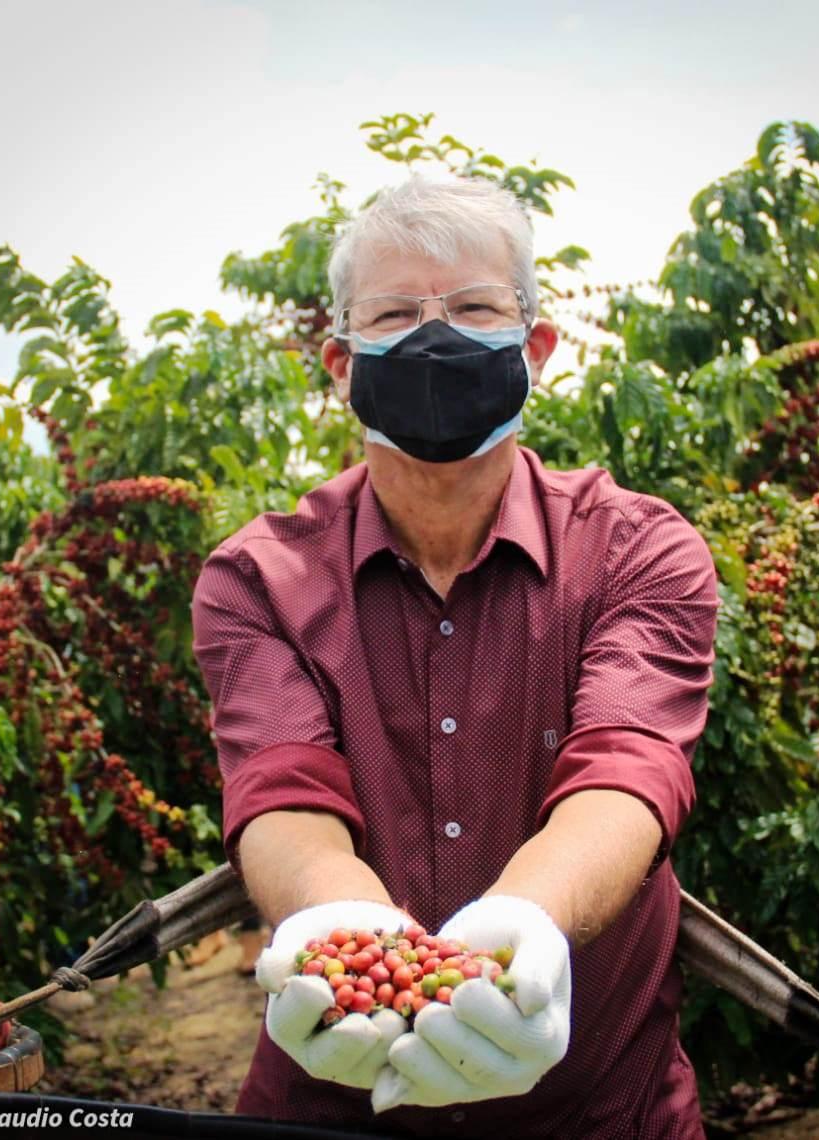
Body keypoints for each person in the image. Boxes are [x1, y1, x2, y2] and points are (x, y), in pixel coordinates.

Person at [191, 174, 718, 1139]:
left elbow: (627, 772)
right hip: (332, 1104)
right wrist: (346, 938)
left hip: (601, 1106)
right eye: (395, 314)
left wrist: (529, 923)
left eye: (475, 308)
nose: (435, 340)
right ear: (342, 364)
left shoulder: (640, 551)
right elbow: (284, 796)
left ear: (538, 346)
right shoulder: (258, 578)